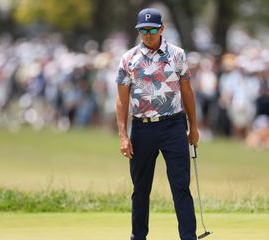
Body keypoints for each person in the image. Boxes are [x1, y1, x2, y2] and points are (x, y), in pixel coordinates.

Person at [115, 8, 199, 240]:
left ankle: (188, 237)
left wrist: (194, 127)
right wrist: (123, 135)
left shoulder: (177, 55)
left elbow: (187, 92)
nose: (148, 34)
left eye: (152, 29)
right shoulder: (128, 59)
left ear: (162, 29)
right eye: (143, 30)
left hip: (173, 125)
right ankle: (138, 236)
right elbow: (121, 101)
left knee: (181, 185)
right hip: (142, 128)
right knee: (141, 189)